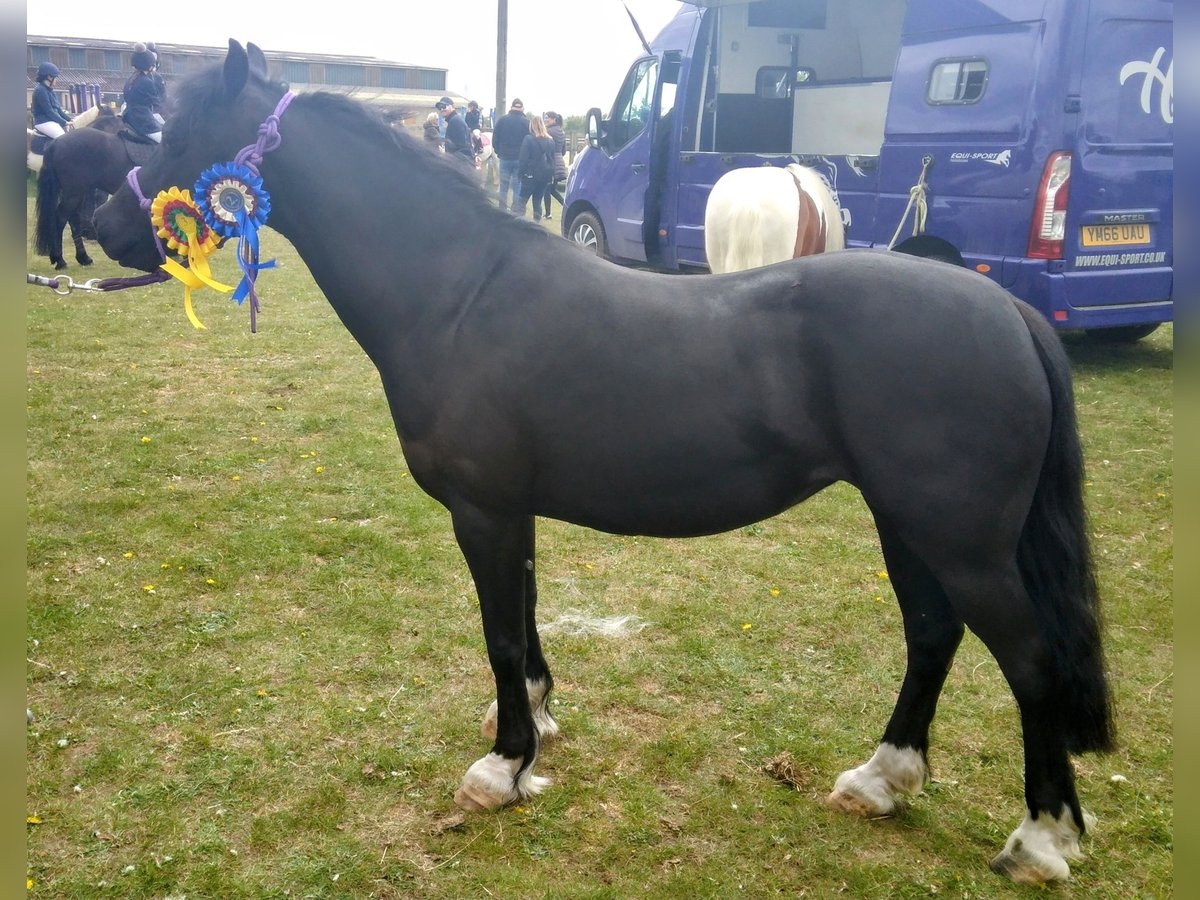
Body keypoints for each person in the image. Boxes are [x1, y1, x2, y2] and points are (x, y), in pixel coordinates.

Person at [512, 114, 556, 222]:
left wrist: (520, 174)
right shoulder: (551, 141)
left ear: (532, 126)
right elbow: (552, 160)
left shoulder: (528, 139)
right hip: (544, 176)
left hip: (530, 175)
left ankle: (520, 224)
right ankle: (537, 224)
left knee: (522, 202)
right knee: (537, 202)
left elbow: (523, 159)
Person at [491, 98, 529, 212]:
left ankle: (502, 208)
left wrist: (499, 152)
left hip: (505, 157)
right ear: (522, 108)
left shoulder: (502, 120)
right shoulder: (526, 122)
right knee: (518, 186)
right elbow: (529, 141)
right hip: (520, 158)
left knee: (504, 186)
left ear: (511, 107)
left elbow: (495, 139)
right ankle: (515, 210)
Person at [122, 43, 165, 142]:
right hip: (143, 120)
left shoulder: (130, 79)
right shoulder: (147, 81)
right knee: (165, 142)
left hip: (128, 117)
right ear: (149, 65)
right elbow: (157, 103)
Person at [31, 62, 73, 140]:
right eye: (55, 77)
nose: (56, 80)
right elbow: (49, 111)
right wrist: (64, 122)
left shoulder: (51, 91)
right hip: (44, 122)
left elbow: (59, 110)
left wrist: (70, 119)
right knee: (63, 139)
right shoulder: (40, 91)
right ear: (49, 77)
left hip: (52, 121)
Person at [542, 112, 568, 221]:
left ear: (553, 119)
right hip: (560, 163)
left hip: (551, 163)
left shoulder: (548, 132)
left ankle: (548, 214)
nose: (546, 120)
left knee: (546, 189)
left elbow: (546, 149)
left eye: (547, 118)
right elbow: (564, 151)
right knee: (552, 189)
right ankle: (566, 206)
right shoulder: (561, 131)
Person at [435, 96, 474, 165]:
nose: (441, 109)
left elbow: (464, 148)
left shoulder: (455, 121)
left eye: (444, 106)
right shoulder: (453, 120)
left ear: (452, 107)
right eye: (439, 107)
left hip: (461, 166)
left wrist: (449, 158)